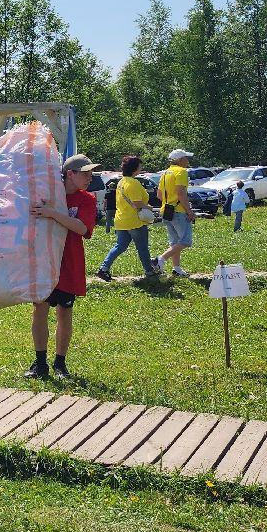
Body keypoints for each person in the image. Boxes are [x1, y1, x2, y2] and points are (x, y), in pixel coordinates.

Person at [24, 155, 99, 381]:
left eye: (91, 174)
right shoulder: (46, 195)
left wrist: (53, 213)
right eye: (84, 173)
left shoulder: (87, 199)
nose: (89, 178)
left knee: (65, 312)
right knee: (39, 309)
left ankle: (60, 364)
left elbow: (81, 228)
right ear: (69, 174)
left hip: (69, 264)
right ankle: (40, 363)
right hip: (44, 262)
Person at [95, 156, 158, 280]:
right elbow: (137, 203)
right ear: (135, 169)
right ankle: (149, 272)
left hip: (121, 220)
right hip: (134, 221)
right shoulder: (133, 183)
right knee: (142, 248)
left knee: (120, 246)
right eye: (140, 166)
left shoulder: (121, 181)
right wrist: (150, 208)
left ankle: (103, 268)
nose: (142, 168)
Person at [156, 148, 196, 277]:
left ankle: (176, 268)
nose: (187, 160)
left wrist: (169, 203)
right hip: (178, 211)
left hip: (166, 210)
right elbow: (181, 193)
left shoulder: (165, 173)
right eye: (186, 158)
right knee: (185, 241)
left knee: (175, 242)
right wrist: (189, 211)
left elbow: (159, 195)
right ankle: (160, 260)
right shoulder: (181, 172)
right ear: (180, 160)